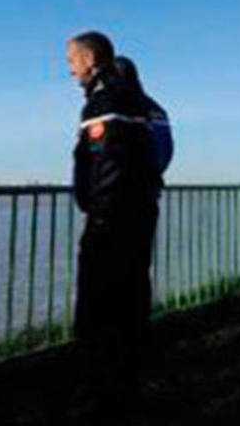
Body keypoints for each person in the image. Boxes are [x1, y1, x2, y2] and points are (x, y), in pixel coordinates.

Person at [67, 32, 161, 418]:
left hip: (113, 221)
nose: (69, 69)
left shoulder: (105, 103)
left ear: (90, 59)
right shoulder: (134, 99)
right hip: (136, 215)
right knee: (131, 302)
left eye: (71, 61)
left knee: (101, 308)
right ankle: (125, 387)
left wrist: (100, 215)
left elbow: (108, 166)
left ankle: (105, 395)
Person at [113, 55, 172, 347]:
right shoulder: (157, 109)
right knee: (138, 271)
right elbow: (166, 152)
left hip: (121, 201)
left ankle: (119, 340)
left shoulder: (123, 108)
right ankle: (139, 333)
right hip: (148, 197)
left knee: (115, 275)